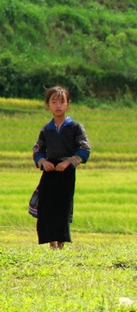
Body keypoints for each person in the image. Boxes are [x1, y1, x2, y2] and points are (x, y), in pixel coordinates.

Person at [32, 86, 91, 249]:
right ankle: (50, 243)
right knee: (46, 205)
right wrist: (43, 162)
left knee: (63, 206)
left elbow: (85, 149)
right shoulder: (46, 129)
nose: (58, 105)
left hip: (66, 172)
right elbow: (38, 149)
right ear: (48, 105)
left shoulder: (75, 127)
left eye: (61, 102)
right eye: (54, 102)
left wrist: (69, 162)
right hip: (50, 171)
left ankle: (61, 243)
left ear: (68, 105)